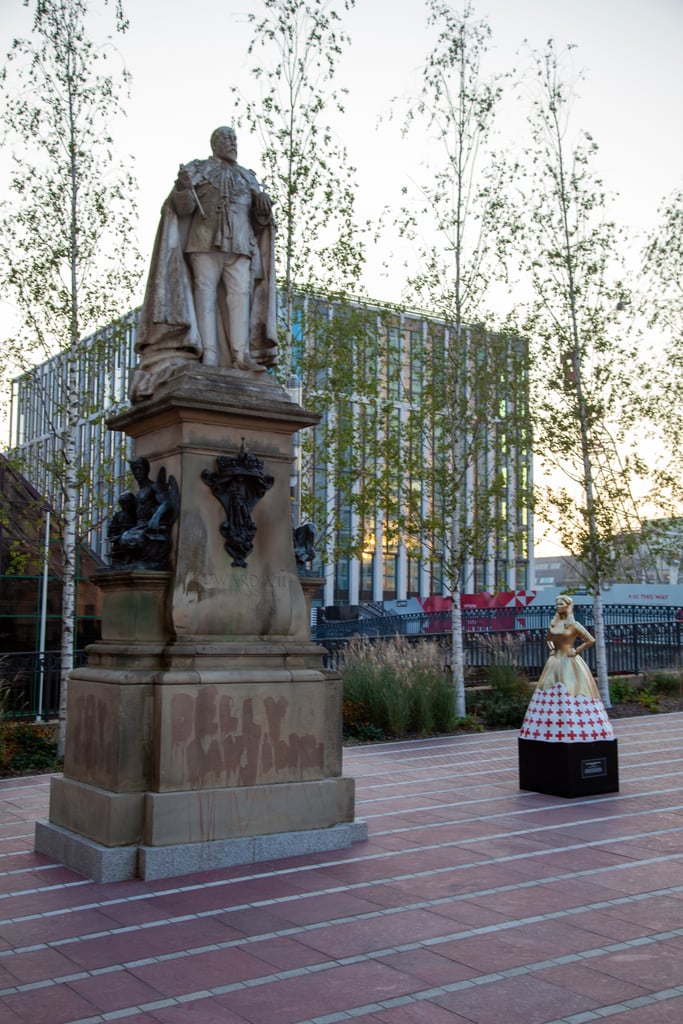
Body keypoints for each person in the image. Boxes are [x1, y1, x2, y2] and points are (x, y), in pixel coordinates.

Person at [130, 127, 277, 402]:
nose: (232, 143)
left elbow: (260, 222)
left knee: (239, 299)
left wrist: (263, 209)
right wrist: (183, 188)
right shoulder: (198, 169)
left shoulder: (249, 178)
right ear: (214, 144)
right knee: (205, 298)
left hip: (242, 247)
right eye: (226, 139)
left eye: (234, 139)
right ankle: (209, 355)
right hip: (203, 242)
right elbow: (183, 208)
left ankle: (241, 355)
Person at [536, 594, 599, 699]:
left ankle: (575, 708)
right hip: (554, 660)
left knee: (571, 684)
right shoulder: (553, 624)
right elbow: (549, 639)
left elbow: (590, 640)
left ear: (568, 605)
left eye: (561, 604)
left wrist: (576, 651)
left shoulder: (574, 625)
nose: (558, 606)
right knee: (549, 683)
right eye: (557, 604)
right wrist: (552, 648)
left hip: (570, 659)